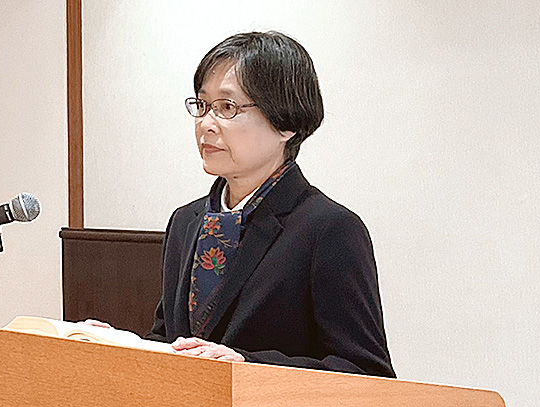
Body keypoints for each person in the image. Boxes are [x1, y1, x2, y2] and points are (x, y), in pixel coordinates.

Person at [145, 31, 394, 377]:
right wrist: (117, 344)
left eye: (227, 107)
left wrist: (247, 366)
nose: (205, 125)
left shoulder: (329, 229)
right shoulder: (186, 221)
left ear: (286, 122)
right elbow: (171, 343)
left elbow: (366, 371)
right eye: (202, 106)